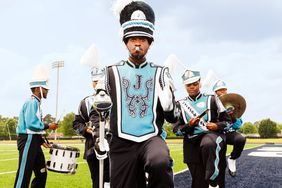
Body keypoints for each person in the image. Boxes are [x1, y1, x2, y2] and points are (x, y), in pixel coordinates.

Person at [103, 1, 178, 187]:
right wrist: (99, 134)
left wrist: (170, 106)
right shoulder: (110, 73)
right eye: (133, 39)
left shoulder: (161, 73)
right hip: (121, 142)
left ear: (149, 43)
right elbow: (100, 112)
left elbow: (172, 117)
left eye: (143, 39)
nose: (138, 43)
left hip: (151, 138)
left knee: (159, 161)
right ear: (126, 42)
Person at [173, 70, 232, 188]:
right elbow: (177, 130)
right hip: (192, 147)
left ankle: (213, 180)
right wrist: (189, 126)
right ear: (185, 86)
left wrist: (217, 126)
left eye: (195, 84)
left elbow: (228, 122)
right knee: (198, 183)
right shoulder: (179, 104)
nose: (192, 87)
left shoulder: (213, 99)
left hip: (213, 142)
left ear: (200, 83)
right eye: (189, 85)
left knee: (217, 182)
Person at [14, 64, 58, 188]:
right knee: (24, 174)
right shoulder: (31, 102)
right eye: (46, 88)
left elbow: (34, 128)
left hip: (34, 141)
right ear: (39, 89)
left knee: (41, 173)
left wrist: (41, 140)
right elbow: (31, 124)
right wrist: (49, 126)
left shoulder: (37, 103)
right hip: (27, 140)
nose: (47, 90)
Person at [72, 67, 110, 188]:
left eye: (99, 81)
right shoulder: (86, 102)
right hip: (92, 148)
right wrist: (84, 130)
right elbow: (76, 124)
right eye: (95, 81)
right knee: (97, 181)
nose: (97, 84)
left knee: (112, 180)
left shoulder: (115, 99)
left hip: (113, 147)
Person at [213, 80, 246, 177]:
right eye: (220, 90)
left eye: (224, 90)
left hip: (229, 132)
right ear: (215, 92)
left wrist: (233, 116)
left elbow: (238, 125)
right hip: (216, 133)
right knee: (220, 161)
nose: (223, 92)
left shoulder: (232, 104)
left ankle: (232, 158)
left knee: (241, 139)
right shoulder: (211, 103)